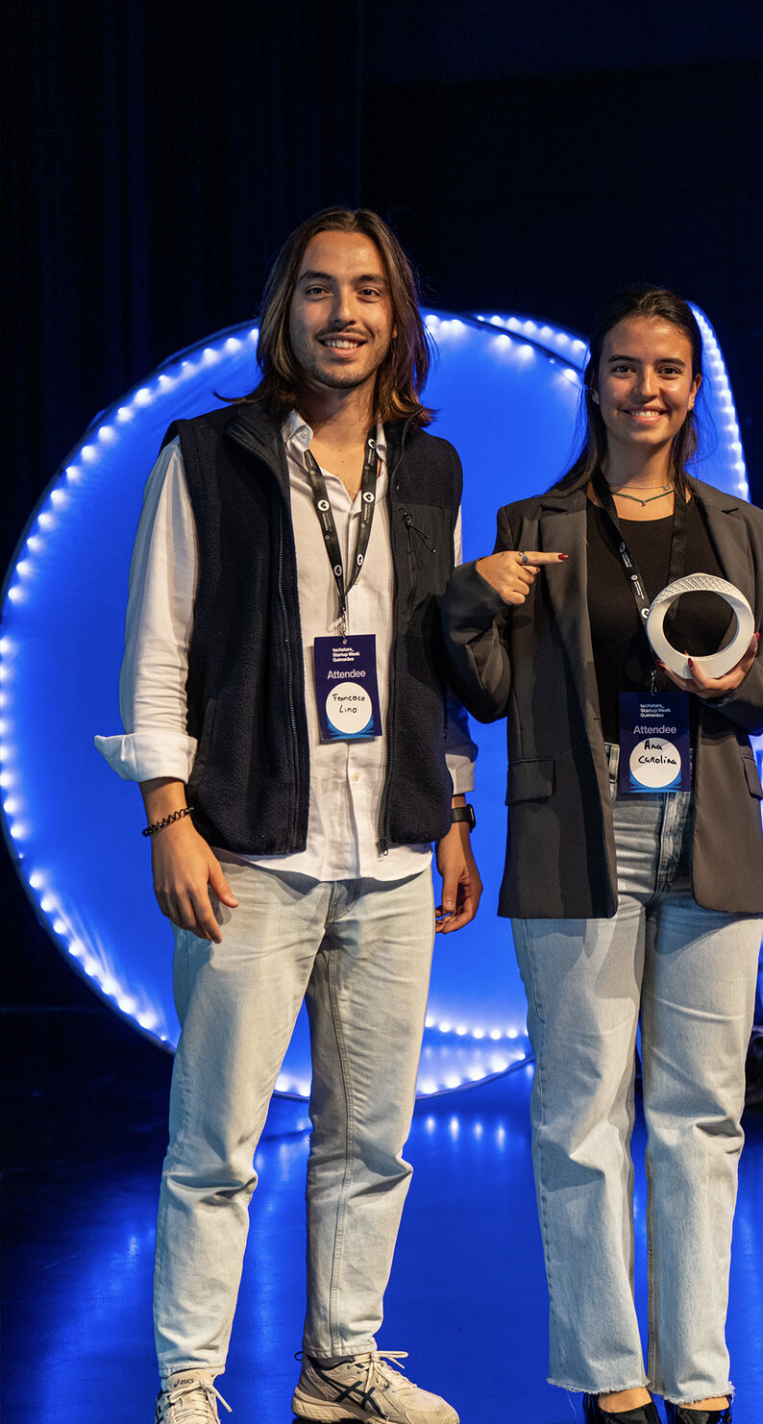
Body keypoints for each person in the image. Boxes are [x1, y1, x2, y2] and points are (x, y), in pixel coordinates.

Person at [95, 207, 481, 1424]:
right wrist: (169, 814)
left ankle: (341, 1362)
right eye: (319, 290)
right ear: (286, 311)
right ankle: (191, 1379)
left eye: (367, 291)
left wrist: (454, 811)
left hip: (393, 844)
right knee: (217, 1141)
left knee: (374, 1141)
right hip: (251, 843)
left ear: (396, 315)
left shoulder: (428, 467)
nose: (344, 314)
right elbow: (157, 643)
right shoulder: (207, 454)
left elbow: (437, 648)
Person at [442, 285, 763, 1424]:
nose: (646, 388)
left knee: (702, 1111)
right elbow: (489, 694)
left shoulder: (735, 524)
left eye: (668, 370)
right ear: (594, 384)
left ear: (692, 389)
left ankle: (698, 1379)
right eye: (625, 367)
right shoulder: (532, 525)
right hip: (575, 818)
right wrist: (467, 601)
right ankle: (611, 1373)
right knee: (580, 1110)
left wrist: (728, 684)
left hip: (709, 817)